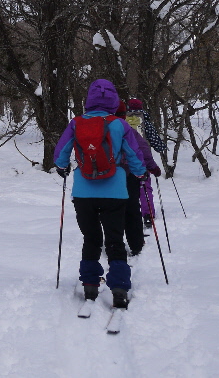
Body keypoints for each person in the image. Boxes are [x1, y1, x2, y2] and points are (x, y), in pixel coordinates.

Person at [54, 79, 145, 309]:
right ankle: (120, 288)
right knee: (115, 239)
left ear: (89, 100)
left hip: (83, 193)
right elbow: (133, 155)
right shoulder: (119, 125)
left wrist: (62, 167)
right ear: (114, 100)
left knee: (91, 238)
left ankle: (90, 286)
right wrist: (140, 173)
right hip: (115, 191)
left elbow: (62, 152)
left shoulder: (76, 123)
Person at [115, 100, 163, 256]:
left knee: (113, 208)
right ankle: (147, 214)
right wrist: (152, 165)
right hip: (134, 168)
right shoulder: (141, 122)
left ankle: (113, 242)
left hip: (110, 173)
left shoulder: (107, 124)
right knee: (141, 192)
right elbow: (145, 145)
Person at [126, 98, 165, 228]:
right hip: (143, 158)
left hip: (125, 159)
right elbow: (155, 140)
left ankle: (127, 214)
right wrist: (161, 148)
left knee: (127, 187)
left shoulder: (122, 121)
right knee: (144, 186)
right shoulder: (145, 122)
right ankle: (148, 214)